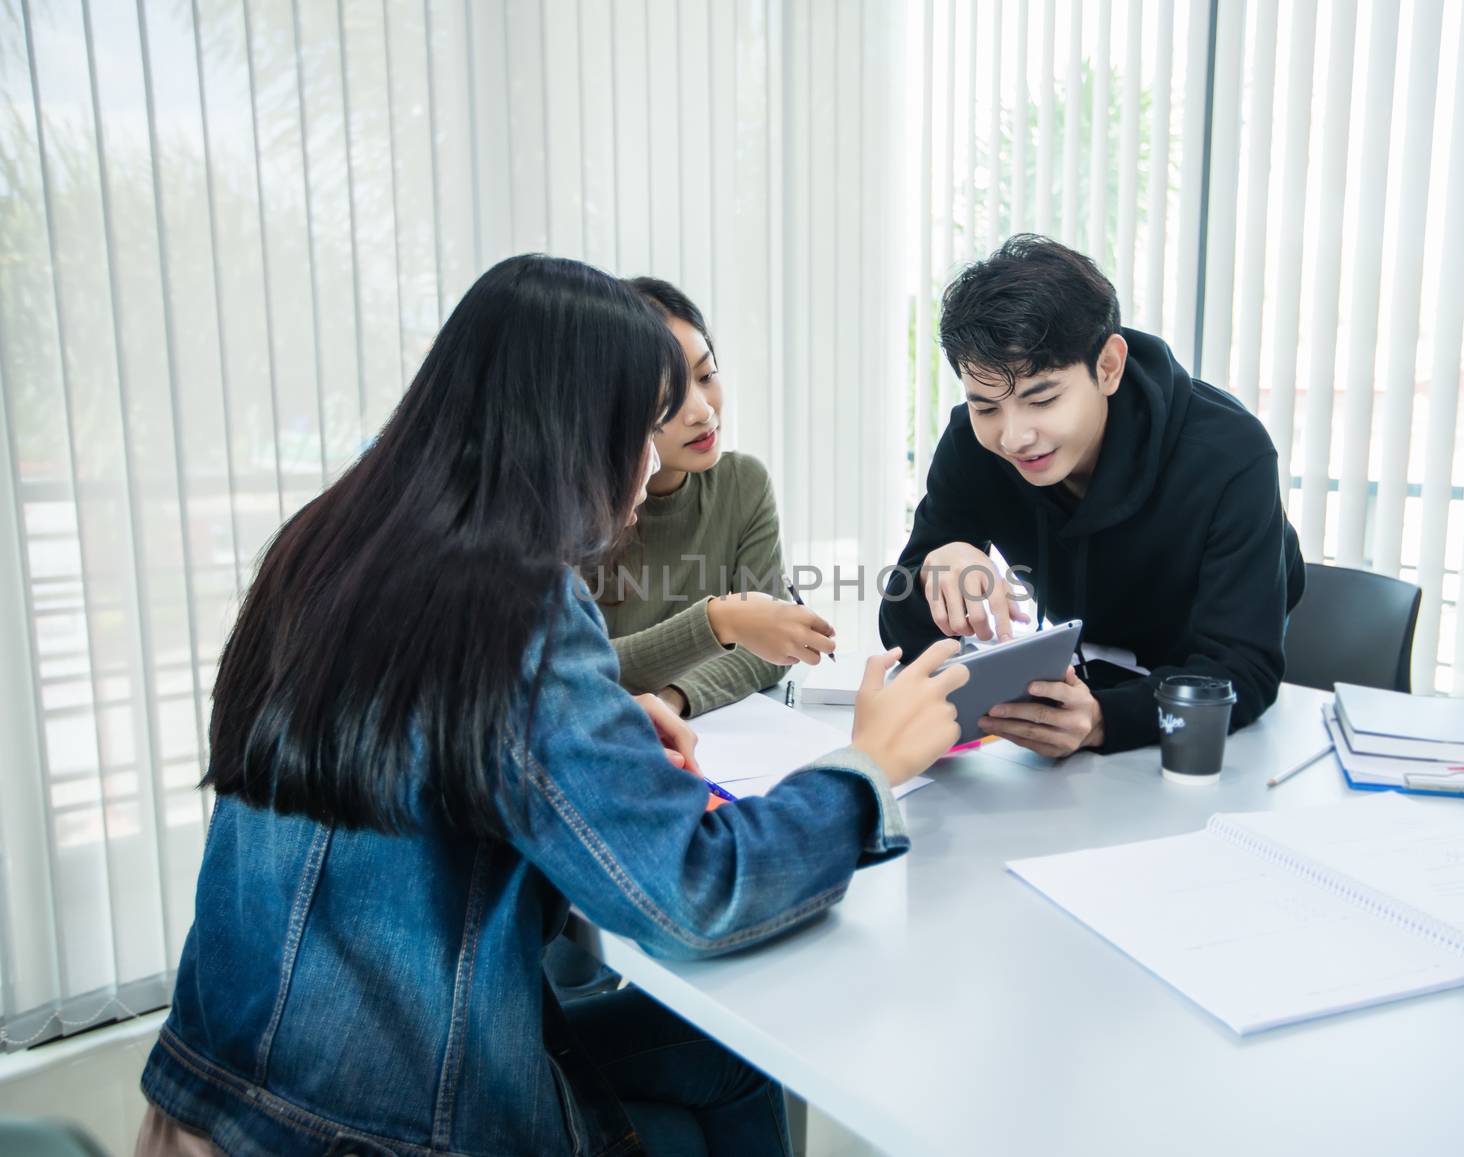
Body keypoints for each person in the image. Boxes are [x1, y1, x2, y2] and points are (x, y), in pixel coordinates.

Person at [137, 255, 967, 1157]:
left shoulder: (323, 545)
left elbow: (410, 747)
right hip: (384, 1128)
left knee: (726, 1062)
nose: (650, 458)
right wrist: (868, 769)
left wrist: (593, 727)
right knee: (730, 1066)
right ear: (571, 429)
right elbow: (697, 890)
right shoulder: (513, 605)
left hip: (210, 1096)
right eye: (639, 424)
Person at [880, 233, 1304, 759]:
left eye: (1043, 399)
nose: (1014, 437)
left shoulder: (1229, 453)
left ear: (1108, 366)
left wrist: (1106, 720)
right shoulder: (973, 442)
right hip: (1089, 682)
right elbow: (898, 629)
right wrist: (934, 567)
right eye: (987, 407)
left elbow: (1243, 669)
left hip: (1200, 721)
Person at [597, 277, 832, 719]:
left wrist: (672, 701)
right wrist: (720, 621)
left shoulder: (743, 484)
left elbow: (765, 649)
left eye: (706, 376)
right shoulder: (580, 512)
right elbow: (576, 672)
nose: (702, 411)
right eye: (667, 397)